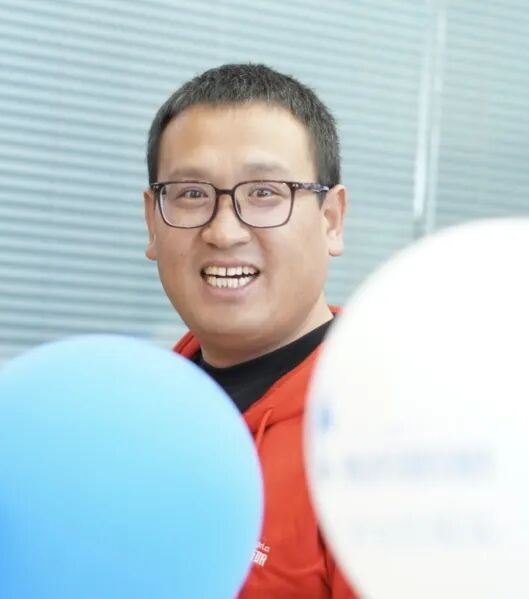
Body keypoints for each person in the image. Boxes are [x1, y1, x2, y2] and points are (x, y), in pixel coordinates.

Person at [142, 64, 358, 598]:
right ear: (152, 221)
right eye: (191, 194)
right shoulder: (135, 418)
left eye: (264, 192)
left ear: (331, 219)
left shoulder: (384, 441)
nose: (223, 231)